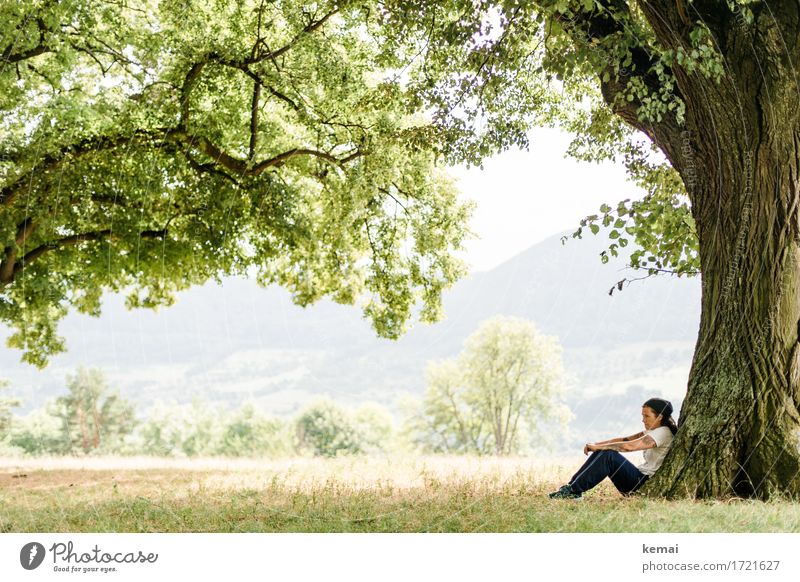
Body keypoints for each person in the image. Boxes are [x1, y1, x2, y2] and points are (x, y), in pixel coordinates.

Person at [548, 397, 678, 499]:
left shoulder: (662, 432)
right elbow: (624, 439)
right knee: (603, 452)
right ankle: (571, 488)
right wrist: (597, 445)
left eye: (647, 416)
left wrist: (599, 447)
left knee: (608, 454)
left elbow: (628, 446)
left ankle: (573, 491)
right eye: (642, 416)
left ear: (660, 417)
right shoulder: (653, 431)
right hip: (638, 478)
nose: (643, 420)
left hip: (642, 484)